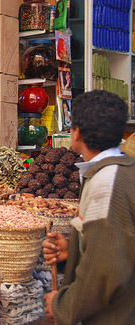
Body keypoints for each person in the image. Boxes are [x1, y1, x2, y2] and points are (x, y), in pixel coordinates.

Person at [42, 90, 135, 324]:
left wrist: (62, 304)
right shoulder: (120, 170)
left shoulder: (107, 183)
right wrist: (72, 250)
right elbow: (115, 241)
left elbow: (105, 271)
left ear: (77, 133)